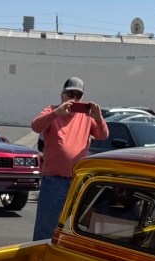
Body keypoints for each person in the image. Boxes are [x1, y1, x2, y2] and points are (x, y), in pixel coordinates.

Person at [30, 76, 108, 240]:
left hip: (77, 181)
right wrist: (55, 114)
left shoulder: (86, 116)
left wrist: (98, 118)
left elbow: (103, 135)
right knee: (46, 226)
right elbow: (36, 126)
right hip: (54, 180)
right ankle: (41, 254)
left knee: (73, 228)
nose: (74, 99)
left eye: (78, 96)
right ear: (62, 95)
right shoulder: (52, 110)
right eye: (70, 94)